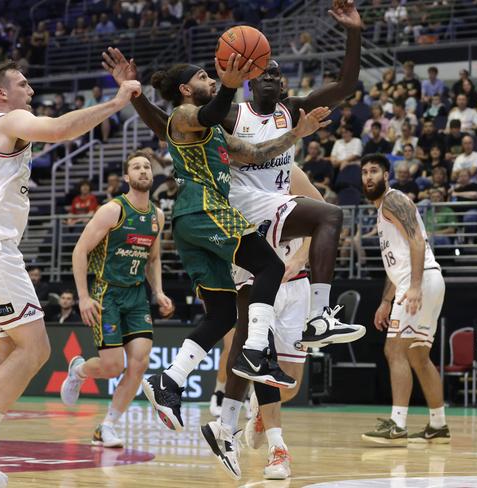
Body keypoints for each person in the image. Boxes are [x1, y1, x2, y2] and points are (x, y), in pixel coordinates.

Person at [101, 1, 366, 478]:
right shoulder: (226, 113)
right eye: (266, 73)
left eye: (279, 75)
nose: (274, 79)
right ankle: (322, 317)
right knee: (329, 218)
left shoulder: (289, 112)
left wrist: (353, 32)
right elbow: (172, 125)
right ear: (249, 77)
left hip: (253, 220)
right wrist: (138, 94)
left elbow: (345, 87)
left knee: (242, 328)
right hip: (238, 212)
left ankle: (218, 419)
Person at [0, 60, 140, 487]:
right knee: (34, 351)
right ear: (2, 94)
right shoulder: (12, 118)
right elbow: (59, 131)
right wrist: (116, 101)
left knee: (4, 353)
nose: (29, 89)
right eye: (22, 83)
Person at [61, 151, 175, 447]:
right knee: (112, 366)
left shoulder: (157, 216)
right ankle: (79, 370)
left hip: (137, 295)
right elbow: (80, 251)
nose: (142, 171)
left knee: (139, 362)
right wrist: (83, 297)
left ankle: (107, 425)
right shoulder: (113, 210)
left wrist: (159, 291)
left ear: (152, 174)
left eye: (147, 167)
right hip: (106, 293)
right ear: (127, 177)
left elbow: (153, 258)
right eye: (136, 167)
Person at [360, 153, 450, 446]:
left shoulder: (393, 200)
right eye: (364, 172)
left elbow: (417, 241)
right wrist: (386, 301)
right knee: (418, 356)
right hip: (424, 280)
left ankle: (397, 425)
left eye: (374, 171)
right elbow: (395, 263)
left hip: (421, 279)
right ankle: (438, 425)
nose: (368, 177)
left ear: (386, 176)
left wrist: (413, 287)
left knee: (394, 349)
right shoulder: (383, 209)